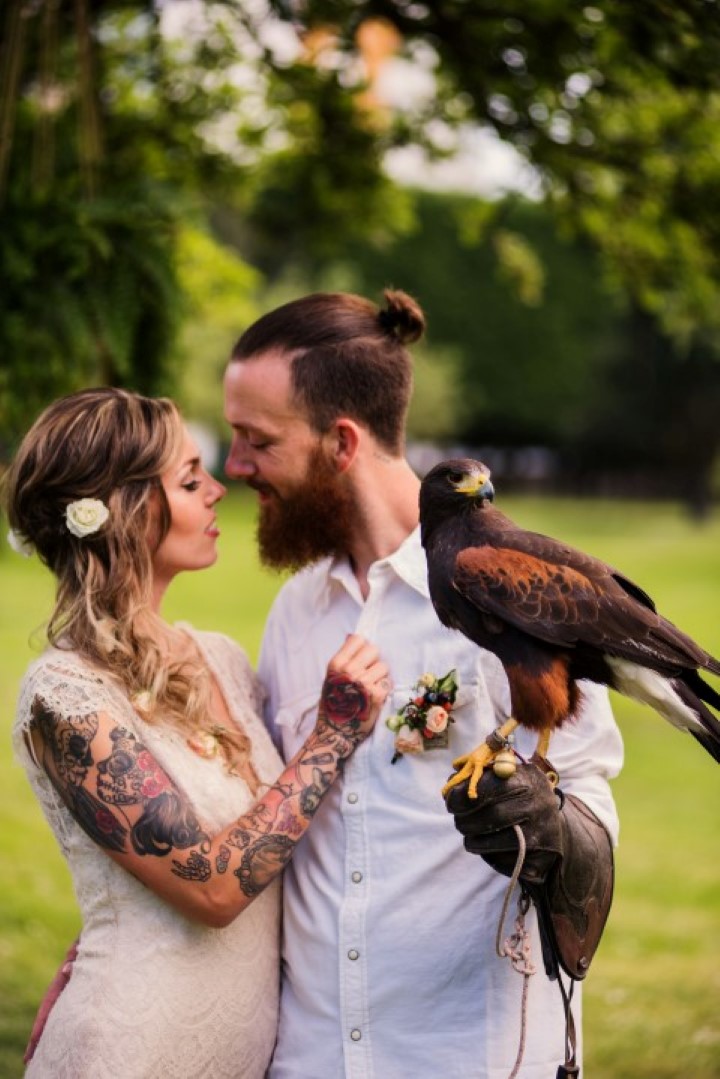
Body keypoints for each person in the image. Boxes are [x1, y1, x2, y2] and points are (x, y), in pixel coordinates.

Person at [223, 288, 624, 1078]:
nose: (234, 465)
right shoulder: (296, 609)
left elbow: (591, 820)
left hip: (468, 1055)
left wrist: (552, 834)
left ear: (341, 442)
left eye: (255, 440)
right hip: (310, 1059)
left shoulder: (515, 586)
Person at [5, 387, 389, 1078]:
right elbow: (210, 885)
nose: (217, 489)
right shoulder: (65, 695)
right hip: (130, 1050)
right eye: (189, 479)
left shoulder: (222, 659)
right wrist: (334, 734)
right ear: (124, 512)